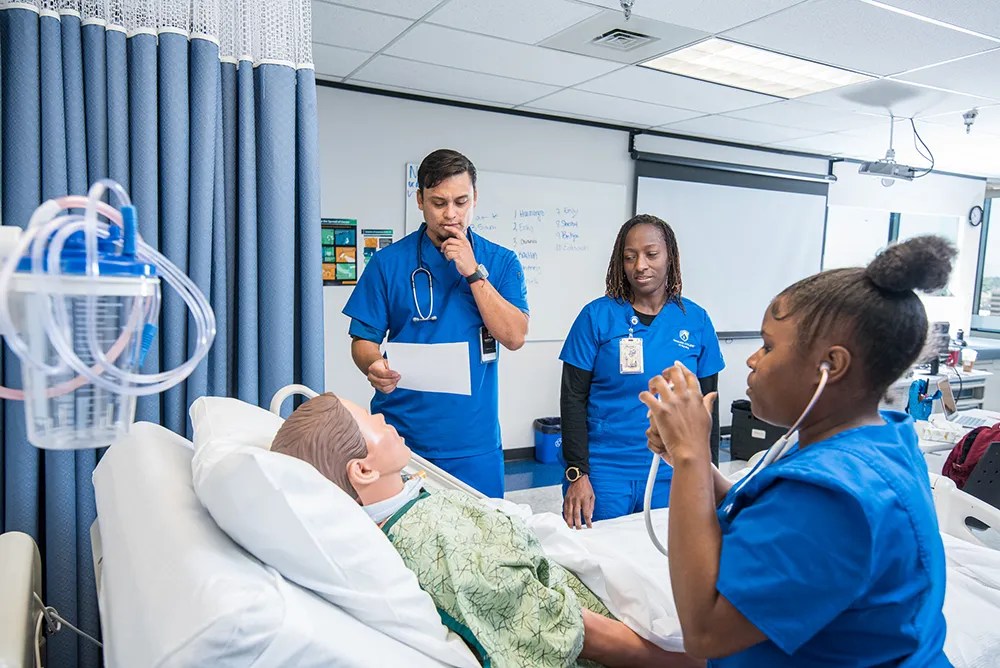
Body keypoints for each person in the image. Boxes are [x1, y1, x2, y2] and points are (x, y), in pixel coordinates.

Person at [640, 236, 954, 666]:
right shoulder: (878, 439)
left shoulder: (836, 496)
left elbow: (706, 632)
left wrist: (694, 454)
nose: (752, 360)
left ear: (832, 366)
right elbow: (772, 520)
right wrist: (687, 461)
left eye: (768, 346)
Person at [270, 393, 701, 668]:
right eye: (372, 421)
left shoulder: (410, 508)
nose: (385, 420)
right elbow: (582, 635)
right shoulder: (441, 541)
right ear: (362, 471)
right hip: (626, 621)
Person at [343, 149, 529, 498]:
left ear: (475, 198)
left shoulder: (501, 262)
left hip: (475, 443)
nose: (451, 214)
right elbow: (362, 340)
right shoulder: (387, 264)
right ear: (419, 200)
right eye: (439, 202)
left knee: (483, 546)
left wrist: (473, 273)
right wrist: (373, 364)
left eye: (461, 202)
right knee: (404, 544)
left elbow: (515, 336)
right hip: (400, 443)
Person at [560, 214, 724, 528]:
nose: (640, 266)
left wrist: (709, 475)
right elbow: (572, 399)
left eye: (651, 254)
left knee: (666, 563)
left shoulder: (696, 321)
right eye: (630, 257)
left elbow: (707, 409)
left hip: (673, 471)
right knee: (597, 564)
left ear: (670, 258)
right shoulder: (596, 317)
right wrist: (577, 473)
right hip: (605, 471)